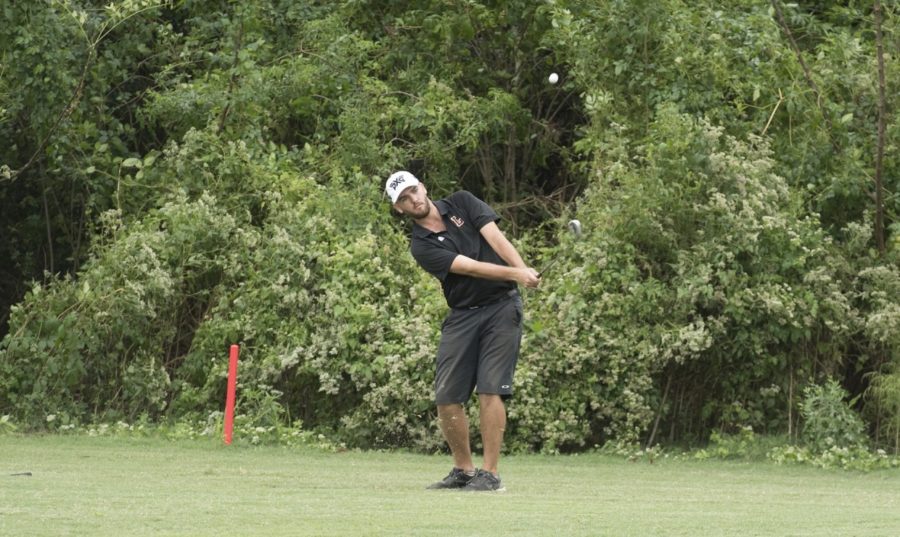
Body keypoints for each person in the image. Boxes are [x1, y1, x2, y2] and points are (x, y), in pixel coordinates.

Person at [385, 170, 541, 492]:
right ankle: (464, 469)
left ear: (423, 187)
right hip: (463, 315)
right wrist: (515, 272)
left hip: (501, 307)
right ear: (399, 209)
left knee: (490, 388)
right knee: (447, 396)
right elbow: (468, 267)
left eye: (413, 190)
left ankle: (490, 474)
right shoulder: (421, 246)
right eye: (404, 199)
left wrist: (522, 269)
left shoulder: (462, 202)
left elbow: (496, 239)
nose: (413, 199)